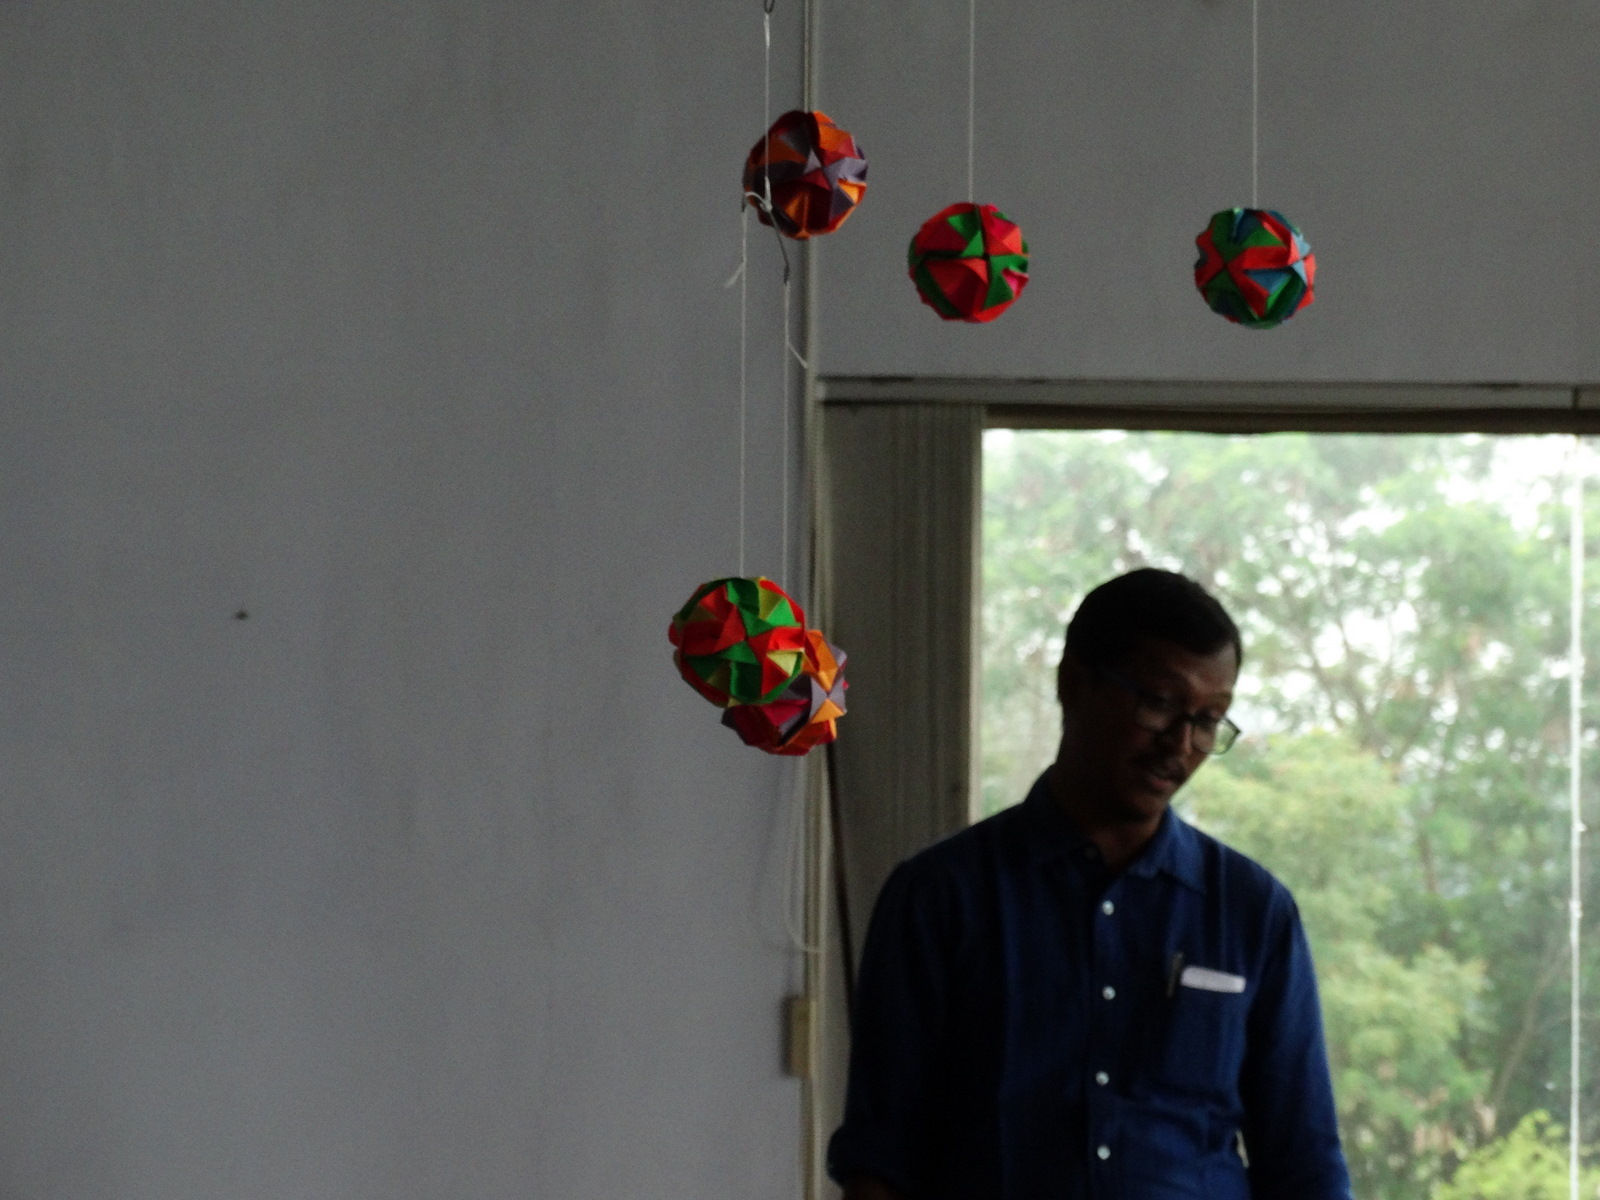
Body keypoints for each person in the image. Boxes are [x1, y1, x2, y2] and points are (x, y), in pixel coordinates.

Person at [828, 568, 1352, 1200]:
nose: (1181, 744)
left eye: (1209, 719)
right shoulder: (940, 897)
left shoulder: (1251, 911)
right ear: (1073, 684)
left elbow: (1304, 1160)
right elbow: (882, 1155)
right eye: (1160, 703)